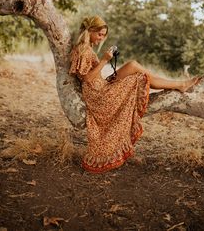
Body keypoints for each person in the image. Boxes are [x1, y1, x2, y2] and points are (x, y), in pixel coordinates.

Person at [69, 16, 197, 173]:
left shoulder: (87, 48)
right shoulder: (82, 50)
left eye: (104, 35)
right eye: (100, 34)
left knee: (133, 65)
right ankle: (181, 85)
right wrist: (104, 60)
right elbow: (87, 79)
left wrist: (106, 63)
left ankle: (179, 84)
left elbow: (93, 76)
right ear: (90, 31)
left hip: (101, 86)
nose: (101, 38)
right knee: (138, 78)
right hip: (98, 95)